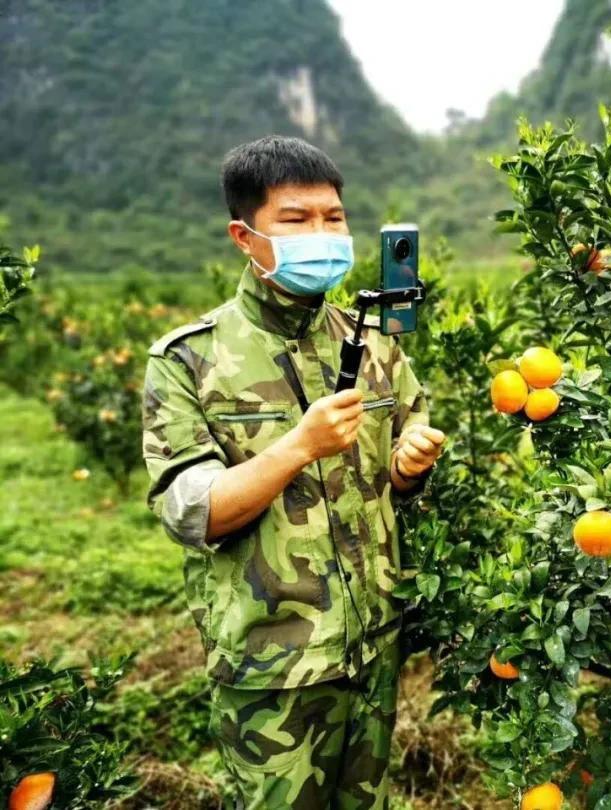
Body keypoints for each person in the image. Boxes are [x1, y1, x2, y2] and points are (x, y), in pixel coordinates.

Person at [141, 134, 444, 809]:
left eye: (333, 218)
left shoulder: (371, 341)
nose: (323, 234)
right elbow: (195, 513)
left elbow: (403, 449)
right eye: (296, 219)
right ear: (244, 237)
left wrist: (410, 461)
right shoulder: (188, 360)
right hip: (275, 669)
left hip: (374, 647)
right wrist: (296, 447)